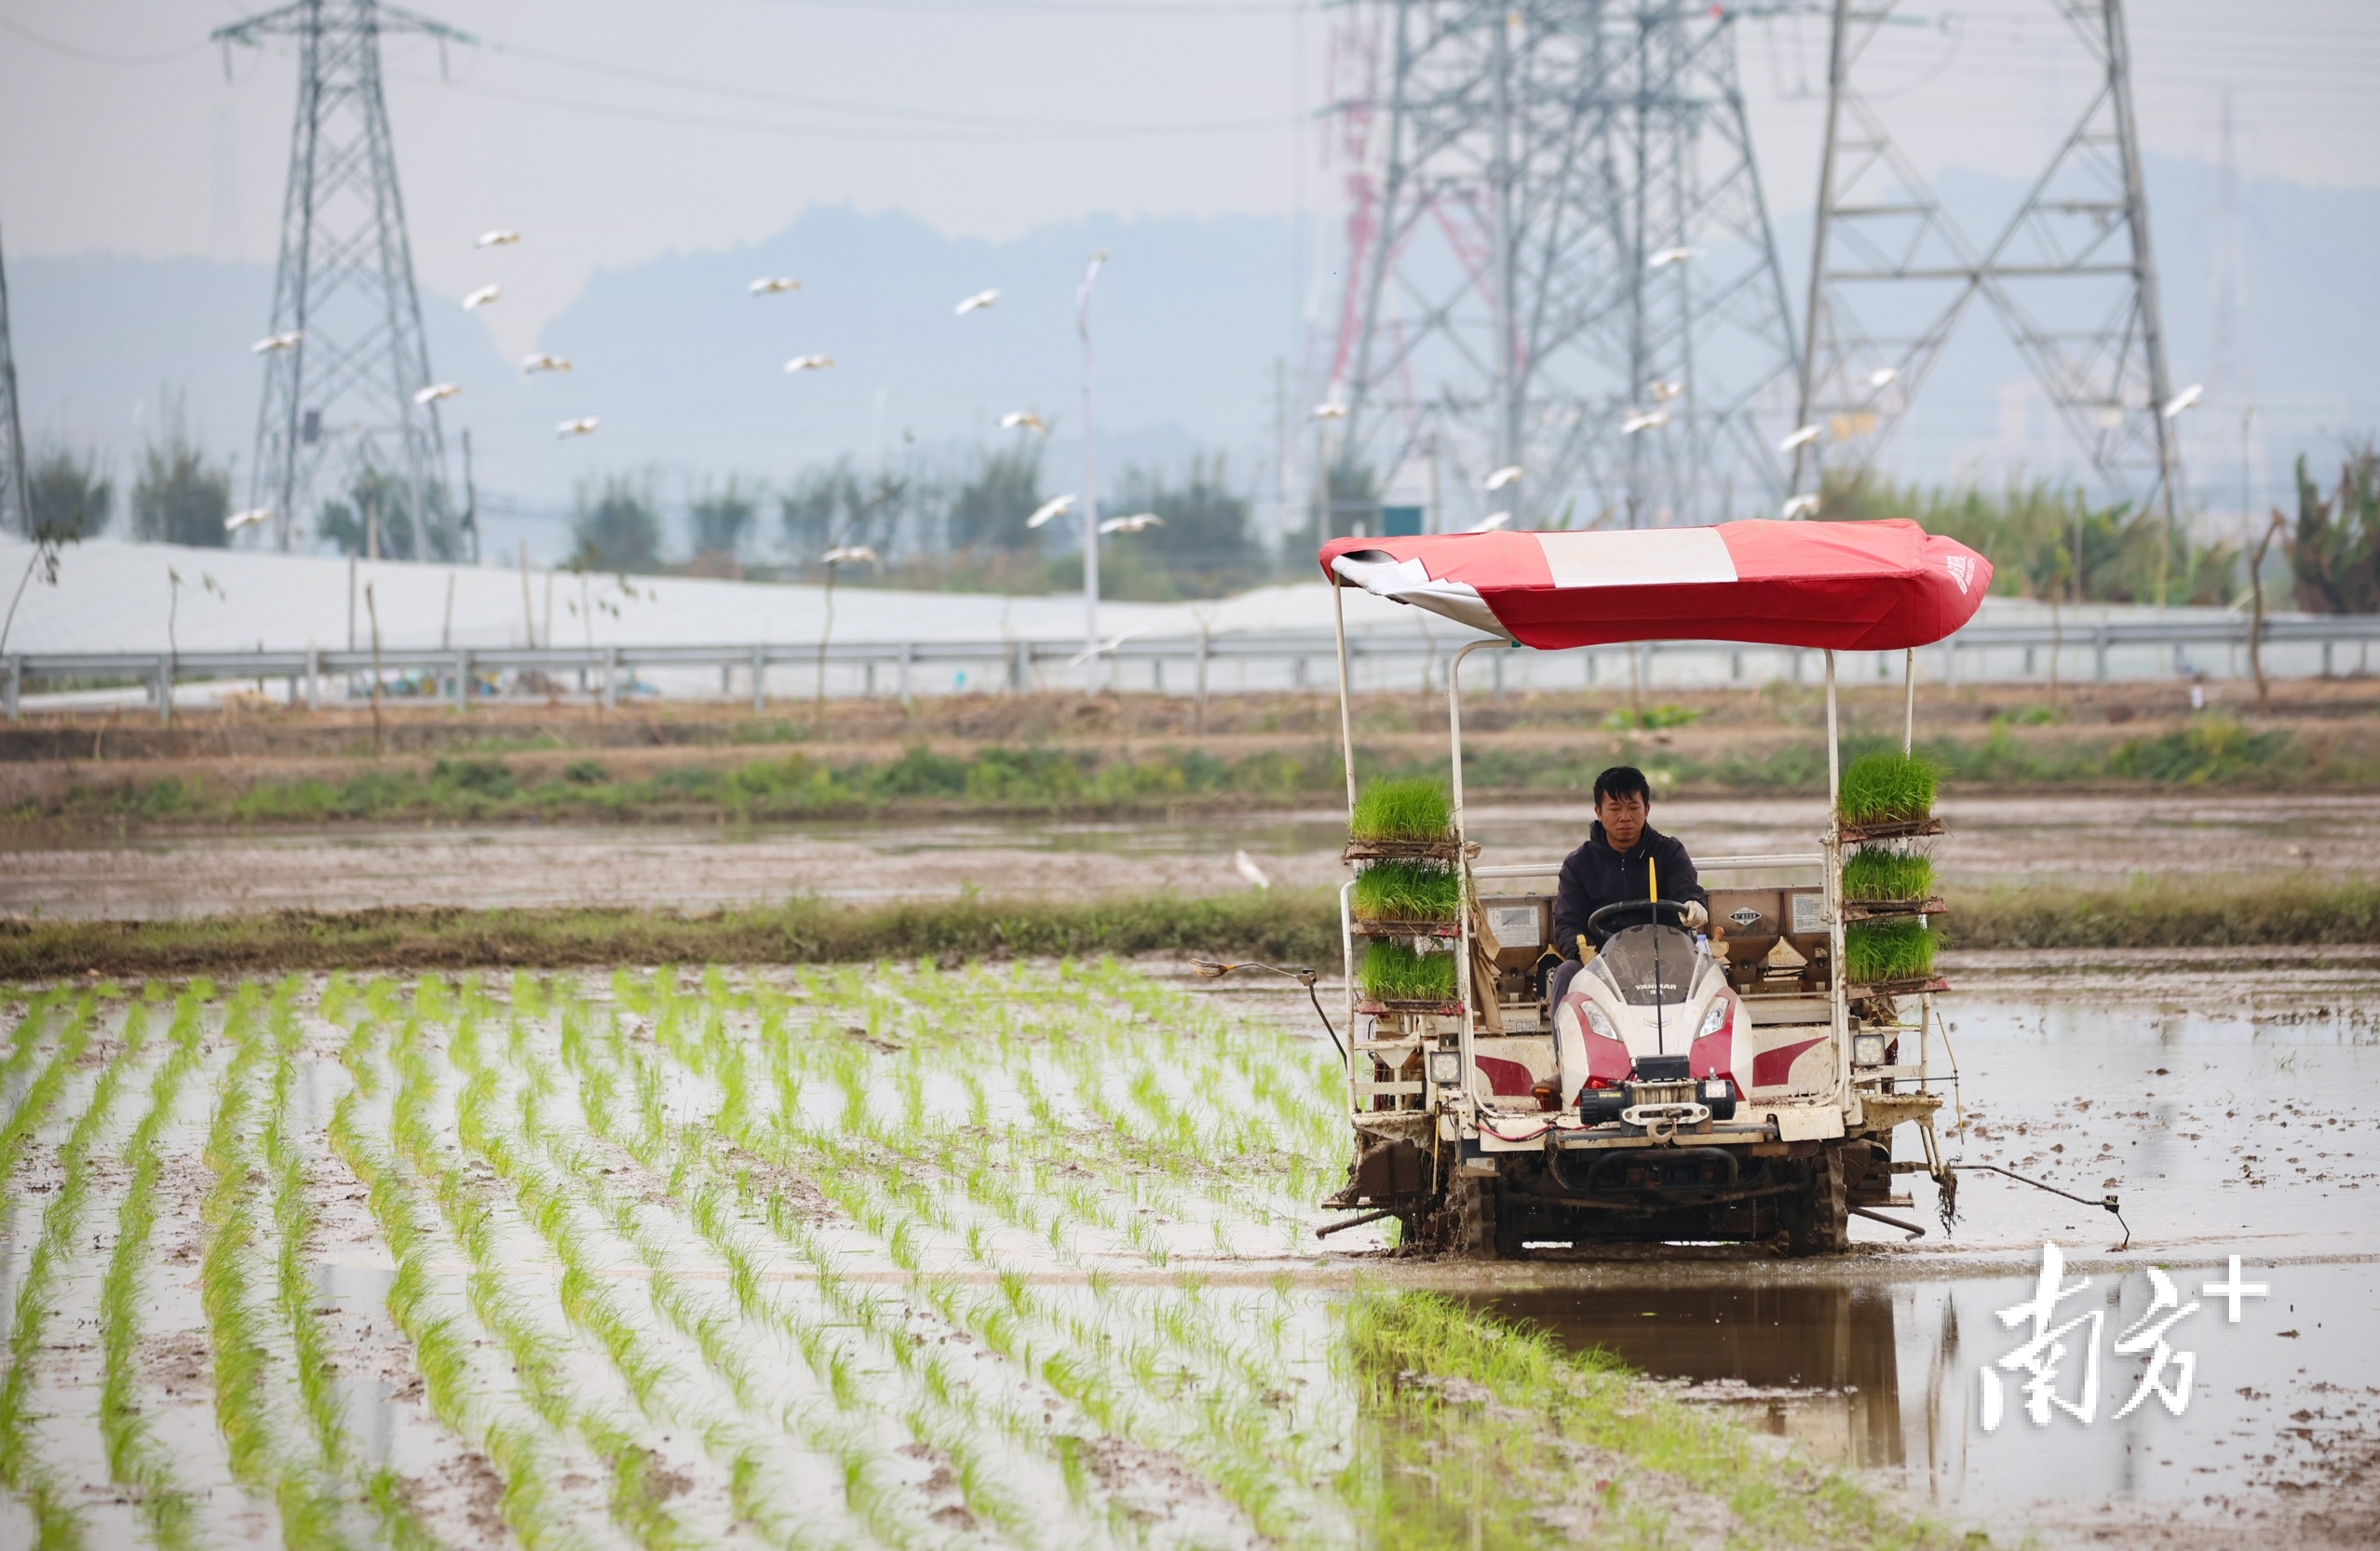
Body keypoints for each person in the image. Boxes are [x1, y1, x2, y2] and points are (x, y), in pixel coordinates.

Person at [1545, 765, 1709, 1013]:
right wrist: (1586, 952)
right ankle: (1565, 1050)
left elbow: (1686, 889)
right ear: (1599, 812)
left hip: (1665, 958)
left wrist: (1694, 904)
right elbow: (1568, 923)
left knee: (1709, 969)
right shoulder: (1579, 863)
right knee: (1567, 972)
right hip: (1601, 962)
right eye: (1615, 808)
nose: (1625, 817)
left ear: (1647, 810)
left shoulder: (1670, 852)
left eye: (1633, 807)